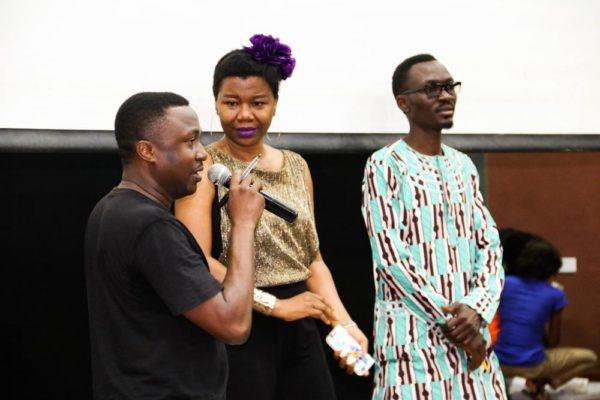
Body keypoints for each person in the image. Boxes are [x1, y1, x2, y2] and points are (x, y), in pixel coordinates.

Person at [175, 34, 369, 400]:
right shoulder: (205, 167)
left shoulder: (297, 166)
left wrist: (346, 322)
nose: (245, 115)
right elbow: (194, 261)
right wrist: (275, 306)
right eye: (231, 102)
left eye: (258, 102)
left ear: (276, 105)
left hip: (302, 325)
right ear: (215, 104)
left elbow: (312, 260)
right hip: (238, 325)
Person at [84, 92, 265, 399]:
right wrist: (244, 223)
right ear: (147, 150)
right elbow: (233, 325)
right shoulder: (152, 226)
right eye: (189, 141)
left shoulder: (110, 209)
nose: (202, 155)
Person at [361, 54, 507, 399]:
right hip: (413, 343)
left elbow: (489, 246)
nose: (445, 96)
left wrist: (477, 309)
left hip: (472, 340)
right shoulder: (384, 165)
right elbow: (391, 259)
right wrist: (455, 322)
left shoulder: (463, 166)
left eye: (449, 87)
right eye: (432, 89)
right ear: (404, 103)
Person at [494, 230, 598, 399]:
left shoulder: (506, 283)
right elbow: (554, 339)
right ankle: (540, 383)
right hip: (532, 365)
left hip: (498, 360)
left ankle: (522, 384)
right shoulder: (556, 294)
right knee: (590, 358)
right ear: (552, 268)